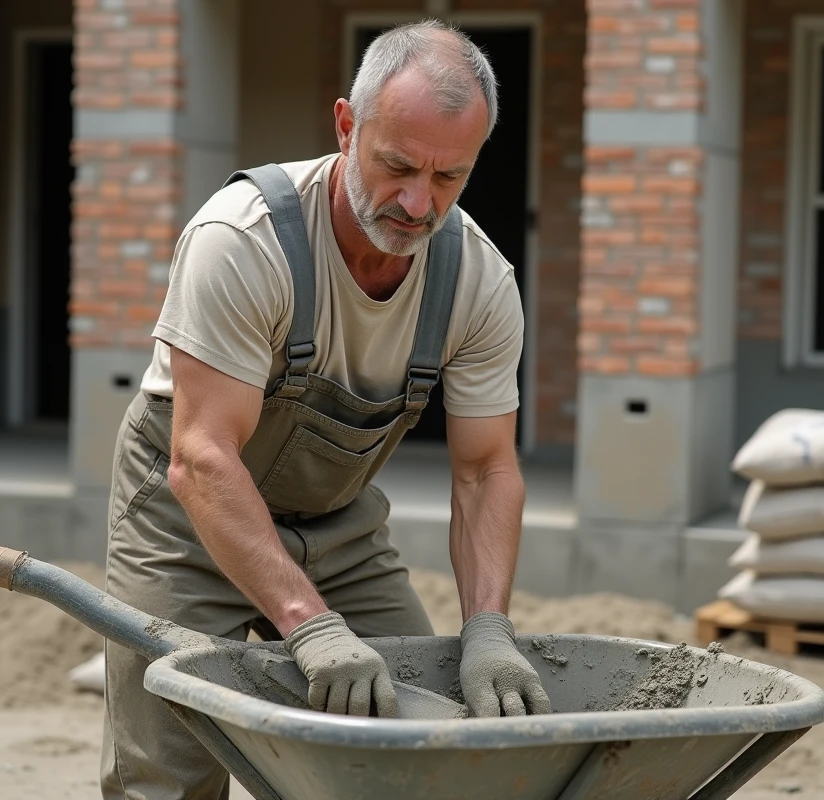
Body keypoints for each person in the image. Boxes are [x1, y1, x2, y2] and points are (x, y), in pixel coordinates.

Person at [101, 19, 551, 799]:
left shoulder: (478, 281)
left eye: (450, 177)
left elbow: (486, 471)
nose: (418, 202)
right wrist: (308, 626)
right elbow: (201, 457)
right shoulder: (243, 239)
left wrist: (487, 627)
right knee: (168, 771)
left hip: (336, 529)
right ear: (347, 125)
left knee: (414, 743)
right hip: (186, 523)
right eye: (397, 165)